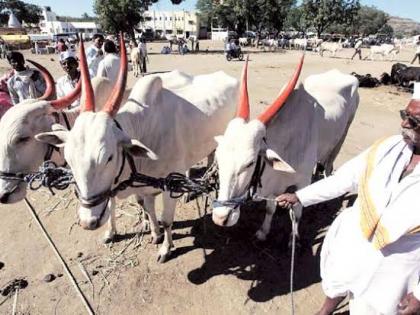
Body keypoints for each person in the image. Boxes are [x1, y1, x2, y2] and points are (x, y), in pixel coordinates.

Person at [276, 82, 420, 315]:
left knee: (373, 308)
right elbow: (345, 178)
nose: (404, 123)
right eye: (405, 115)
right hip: (353, 240)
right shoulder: (387, 146)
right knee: (337, 278)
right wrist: (300, 196)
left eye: (414, 121)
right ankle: (326, 310)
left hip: (394, 264)